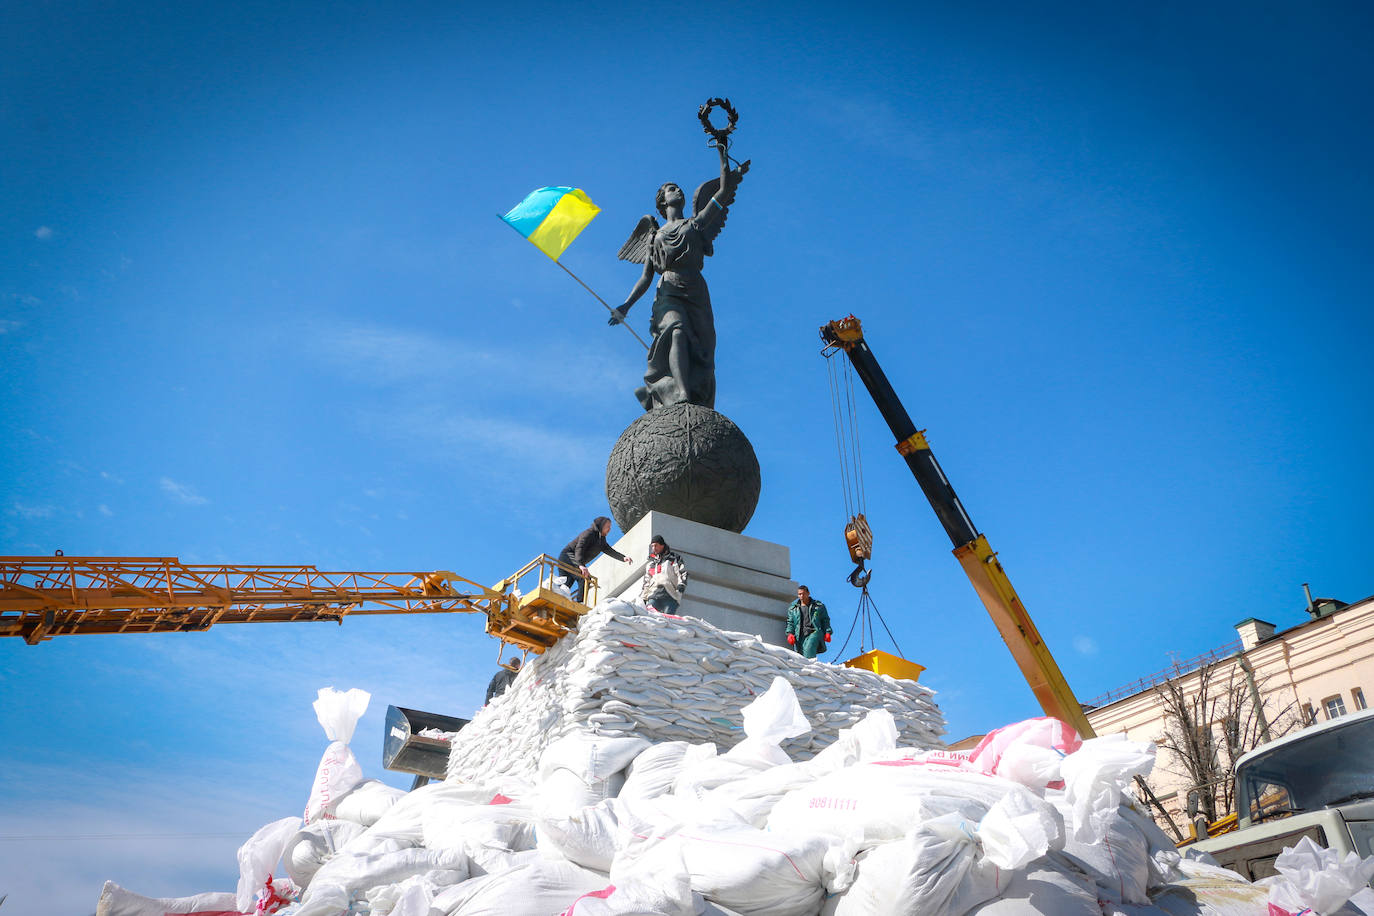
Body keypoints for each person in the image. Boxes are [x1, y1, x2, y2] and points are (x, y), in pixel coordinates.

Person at [608, 141, 749, 410]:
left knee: (703, 355)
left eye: (678, 187)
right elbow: (646, 278)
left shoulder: (696, 223)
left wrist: (721, 150)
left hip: (695, 290)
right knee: (676, 331)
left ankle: (665, 393)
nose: (678, 190)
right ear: (662, 201)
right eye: (671, 189)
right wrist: (625, 306)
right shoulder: (654, 234)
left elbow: (723, 190)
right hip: (668, 290)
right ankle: (681, 393)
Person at [557, 516, 632, 603]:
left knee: (566, 584)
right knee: (585, 578)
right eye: (608, 527)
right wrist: (580, 565)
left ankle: (557, 598)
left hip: (576, 560)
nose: (609, 529)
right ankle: (580, 603)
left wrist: (623, 558)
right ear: (601, 525)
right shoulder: (589, 533)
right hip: (568, 556)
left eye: (610, 527)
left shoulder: (601, 540)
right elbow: (579, 548)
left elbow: (609, 550)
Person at [639, 535, 688, 614]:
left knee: (667, 619)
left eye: (656, 545)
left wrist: (681, 585)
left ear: (662, 545)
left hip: (670, 594)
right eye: (652, 546)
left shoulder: (673, 558)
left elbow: (682, 572)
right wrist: (643, 598)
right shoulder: (651, 564)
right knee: (650, 617)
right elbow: (646, 582)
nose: (654, 548)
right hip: (653, 594)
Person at [786, 585, 832, 659]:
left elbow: (825, 620)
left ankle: (810, 668)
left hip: (814, 632)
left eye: (803, 594)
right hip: (800, 635)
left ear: (808, 593)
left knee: (809, 650)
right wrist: (790, 634)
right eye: (799, 594)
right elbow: (790, 622)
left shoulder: (818, 606)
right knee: (801, 657)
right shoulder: (793, 609)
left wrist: (827, 632)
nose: (801, 596)